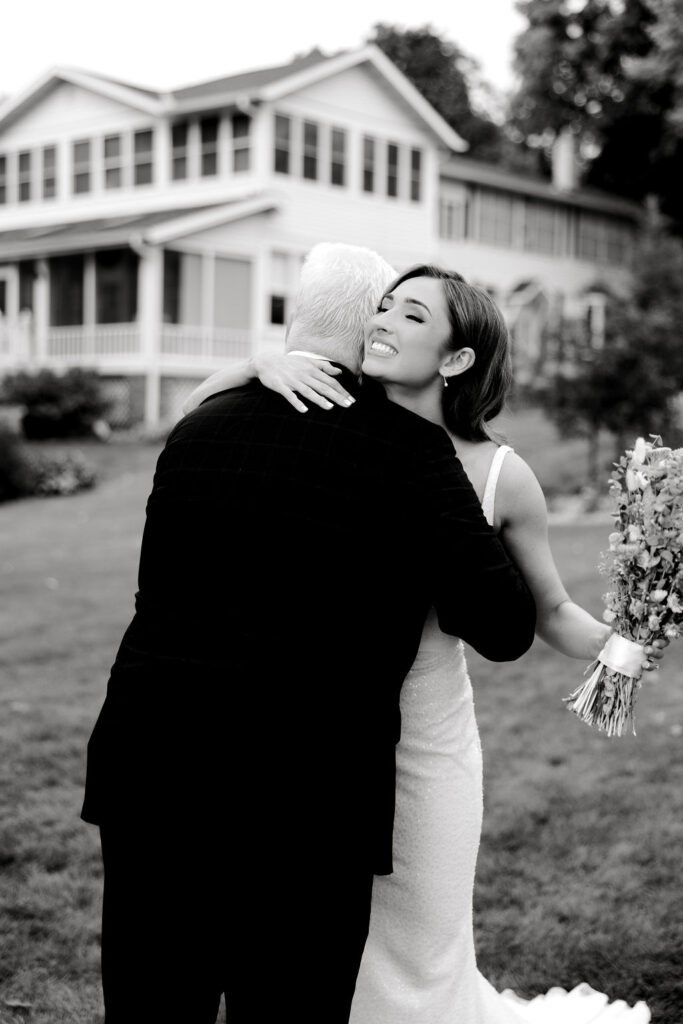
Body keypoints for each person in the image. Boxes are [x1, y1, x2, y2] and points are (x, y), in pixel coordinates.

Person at [184, 260, 664, 1023]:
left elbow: (547, 611)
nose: (380, 322)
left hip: (426, 743)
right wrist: (257, 363)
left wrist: (634, 635)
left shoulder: (501, 475)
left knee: (416, 945)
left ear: (455, 359)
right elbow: (206, 429)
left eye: (411, 316)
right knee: (315, 947)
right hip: (317, 740)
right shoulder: (327, 417)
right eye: (383, 307)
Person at [81, 244, 538, 1024]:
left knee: (151, 1002)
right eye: (389, 308)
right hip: (305, 797)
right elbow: (500, 630)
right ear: (368, 332)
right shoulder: (411, 453)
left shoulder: (200, 423)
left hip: (151, 763)